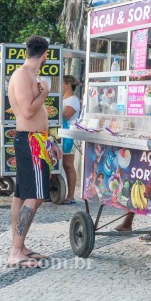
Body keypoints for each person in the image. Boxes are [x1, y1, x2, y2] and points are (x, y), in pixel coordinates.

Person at [7, 35, 62, 268]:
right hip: (30, 141)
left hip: (36, 140)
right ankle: (16, 250)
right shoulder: (22, 75)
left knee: (21, 194)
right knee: (35, 196)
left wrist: (51, 141)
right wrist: (44, 93)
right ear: (45, 55)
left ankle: (19, 246)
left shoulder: (29, 75)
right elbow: (28, 112)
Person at [115, 59, 151, 240]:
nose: (136, 74)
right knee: (134, 180)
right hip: (138, 139)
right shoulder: (135, 88)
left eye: (141, 71)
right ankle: (128, 221)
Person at [61, 75, 81, 205]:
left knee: (68, 164)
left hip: (69, 135)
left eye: (62, 84)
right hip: (61, 134)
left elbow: (65, 116)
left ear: (68, 84)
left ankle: (71, 195)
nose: (60, 86)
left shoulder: (73, 100)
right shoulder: (63, 99)